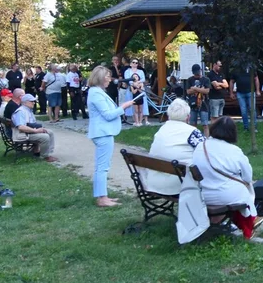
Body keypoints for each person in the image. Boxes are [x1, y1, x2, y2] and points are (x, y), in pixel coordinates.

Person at [191, 116, 258, 239]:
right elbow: (248, 177)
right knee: (246, 188)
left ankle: (219, 220)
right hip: (225, 196)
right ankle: (246, 222)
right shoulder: (234, 151)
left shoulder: (201, 147)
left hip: (201, 194)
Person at [86, 66, 139, 207]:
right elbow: (108, 115)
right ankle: (102, 198)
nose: (110, 79)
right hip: (103, 133)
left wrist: (119, 107)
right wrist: (124, 107)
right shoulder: (96, 93)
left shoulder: (97, 92)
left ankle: (102, 195)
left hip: (104, 132)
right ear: (101, 78)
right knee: (102, 167)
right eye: (108, 77)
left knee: (102, 166)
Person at [144, 98, 204, 196]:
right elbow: (207, 152)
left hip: (154, 182)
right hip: (179, 185)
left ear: (168, 115)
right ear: (188, 117)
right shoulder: (192, 132)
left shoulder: (162, 129)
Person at [11, 94, 57, 161]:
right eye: (31, 101)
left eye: (34, 101)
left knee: (50, 132)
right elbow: (21, 127)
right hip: (22, 135)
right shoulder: (20, 112)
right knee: (45, 137)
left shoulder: (28, 110)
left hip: (29, 132)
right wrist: (36, 131)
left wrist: (38, 128)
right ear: (25, 102)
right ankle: (45, 156)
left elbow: (31, 124)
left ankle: (48, 153)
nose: (34, 103)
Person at [185, 64, 211, 133]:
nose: (197, 74)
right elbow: (188, 91)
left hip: (203, 104)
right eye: (195, 73)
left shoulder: (206, 79)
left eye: (198, 72)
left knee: (205, 125)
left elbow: (207, 91)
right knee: (193, 125)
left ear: (200, 71)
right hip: (193, 104)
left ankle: (207, 140)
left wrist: (194, 88)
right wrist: (200, 89)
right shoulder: (190, 80)